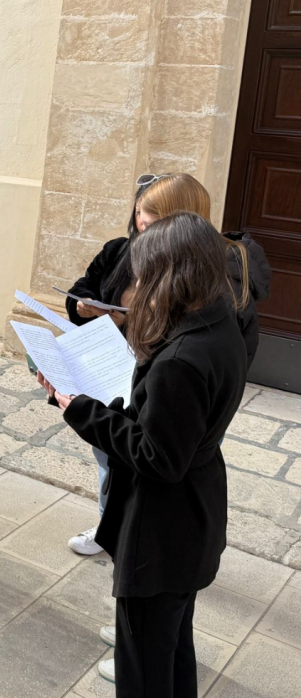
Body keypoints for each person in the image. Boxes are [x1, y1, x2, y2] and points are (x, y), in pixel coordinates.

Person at [45, 212, 247, 698]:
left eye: (144, 275)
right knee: (173, 652)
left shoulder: (181, 358)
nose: (137, 286)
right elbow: (169, 430)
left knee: (142, 675)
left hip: (161, 532)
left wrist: (81, 409)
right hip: (194, 520)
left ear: (173, 274)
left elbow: (156, 457)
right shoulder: (220, 321)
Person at [65, 172, 270, 559]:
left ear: (183, 220)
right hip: (123, 373)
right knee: (112, 457)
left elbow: (225, 355)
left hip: (173, 392)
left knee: (158, 476)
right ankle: (115, 528)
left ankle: (152, 552)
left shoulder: (218, 283)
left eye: (153, 217)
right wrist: (87, 310)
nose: (143, 224)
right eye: (141, 213)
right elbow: (87, 287)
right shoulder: (126, 251)